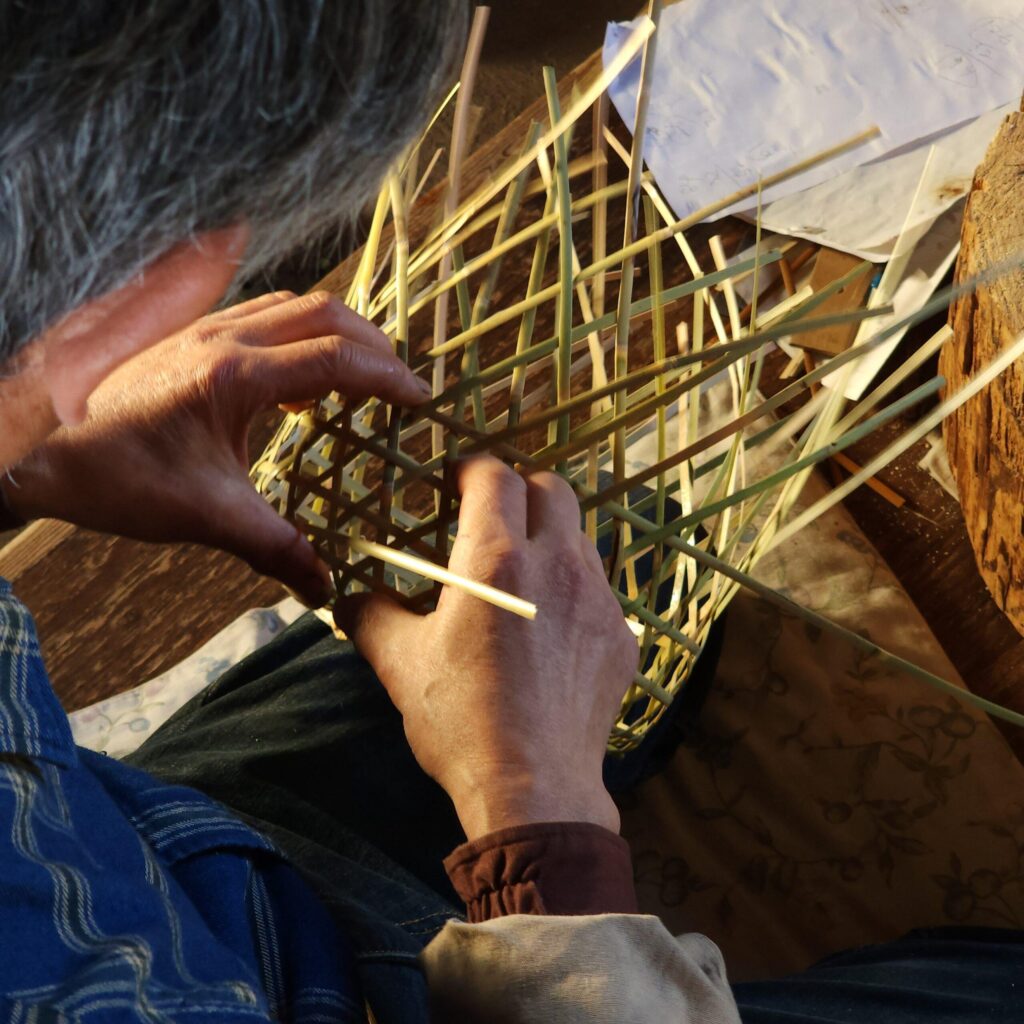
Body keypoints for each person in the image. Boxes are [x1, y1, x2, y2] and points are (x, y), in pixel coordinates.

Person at [0, 3, 1019, 1022]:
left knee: (611, 557)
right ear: (163, 292)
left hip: (168, 855)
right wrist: (535, 819)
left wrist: (30, 448)